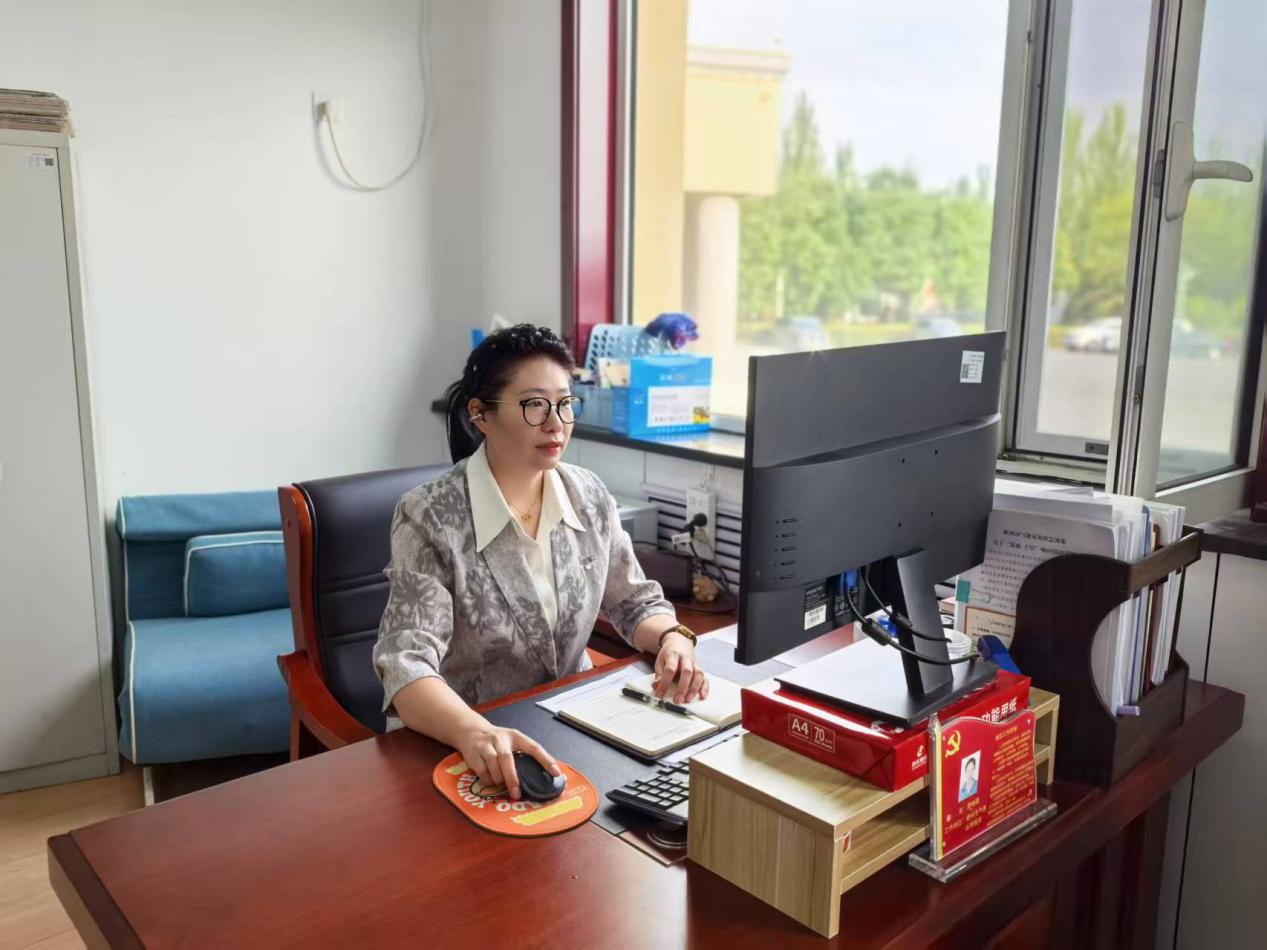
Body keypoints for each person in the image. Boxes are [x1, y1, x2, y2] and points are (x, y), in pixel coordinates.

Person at [373, 324, 708, 800]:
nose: (556, 424)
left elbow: (633, 602)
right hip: (463, 743)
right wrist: (474, 731)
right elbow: (406, 664)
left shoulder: (588, 494)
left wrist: (674, 638)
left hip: (569, 728)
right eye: (534, 405)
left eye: (565, 403)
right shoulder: (429, 516)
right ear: (480, 414)